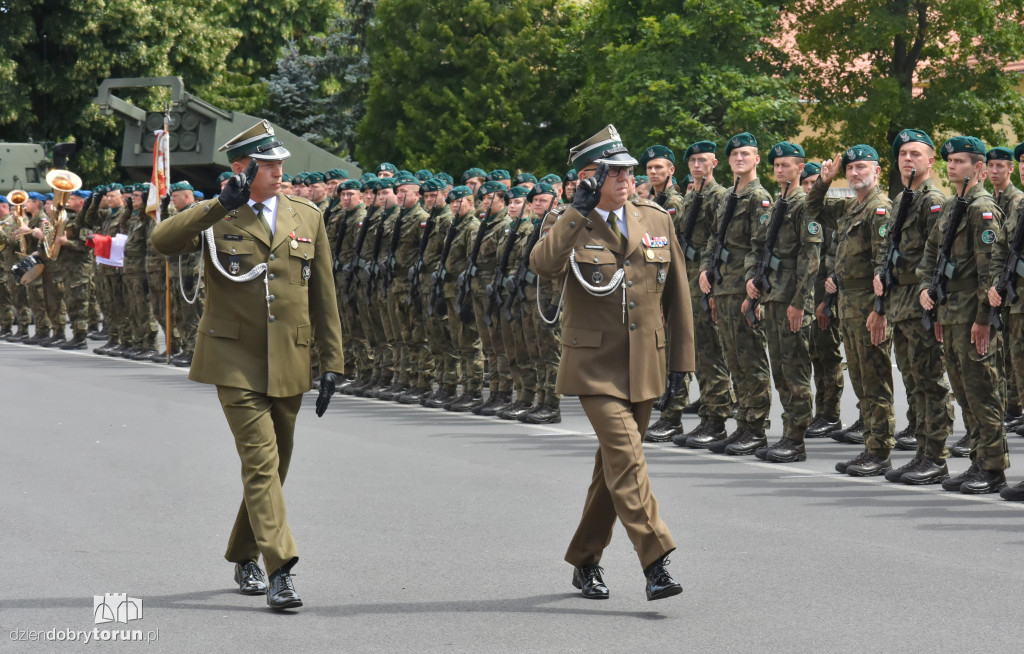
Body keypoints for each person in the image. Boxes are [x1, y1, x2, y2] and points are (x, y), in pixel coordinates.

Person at [151, 120, 345, 610]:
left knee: (275, 467)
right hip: (233, 360)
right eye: (270, 164)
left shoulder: (307, 216)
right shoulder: (218, 214)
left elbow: (324, 296)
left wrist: (333, 363)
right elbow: (162, 241)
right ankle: (280, 568)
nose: (281, 171)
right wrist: (220, 204)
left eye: (281, 162)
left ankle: (243, 553)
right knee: (260, 464)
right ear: (243, 169)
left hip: (290, 360)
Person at [531, 124, 693, 601]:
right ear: (588, 178)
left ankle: (584, 560)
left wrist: (681, 360)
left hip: (646, 362)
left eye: (628, 171)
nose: (626, 179)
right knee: (627, 457)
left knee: (612, 470)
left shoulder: (656, 219)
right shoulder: (567, 222)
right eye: (614, 172)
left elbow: (677, 294)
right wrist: (577, 213)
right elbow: (544, 265)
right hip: (593, 365)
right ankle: (656, 560)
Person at [921, 136, 1009, 494]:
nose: (951, 166)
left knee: (983, 392)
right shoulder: (954, 206)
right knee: (964, 391)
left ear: (979, 169)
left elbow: (991, 271)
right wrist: (929, 291)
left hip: (973, 315)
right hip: (952, 313)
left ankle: (992, 469)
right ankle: (976, 461)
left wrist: (984, 318)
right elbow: (932, 253)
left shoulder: (981, 208)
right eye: (950, 160)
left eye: (959, 161)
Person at [809, 145, 895, 477]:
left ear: (877, 171)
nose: (855, 173)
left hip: (867, 310)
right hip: (847, 308)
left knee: (876, 383)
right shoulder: (849, 207)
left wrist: (880, 310)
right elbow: (811, 208)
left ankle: (880, 451)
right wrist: (824, 179)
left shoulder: (880, 210)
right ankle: (871, 447)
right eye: (850, 168)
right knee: (862, 383)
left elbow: (882, 267)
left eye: (862, 167)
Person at [876, 129, 955, 484]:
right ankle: (923, 450)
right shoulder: (904, 197)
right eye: (903, 154)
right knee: (913, 380)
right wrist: (881, 275)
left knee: (930, 381)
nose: (908, 159)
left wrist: (933, 302)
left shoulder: (931, 199)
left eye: (915, 154)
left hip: (921, 302)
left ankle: (936, 455)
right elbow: (891, 247)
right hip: (900, 302)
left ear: (929, 160)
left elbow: (939, 253)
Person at [698, 133, 774, 455]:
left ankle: (756, 427)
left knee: (751, 358)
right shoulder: (728, 196)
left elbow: (762, 247)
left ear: (757, 159)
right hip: (723, 287)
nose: (739, 158)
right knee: (733, 358)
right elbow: (714, 239)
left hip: (743, 289)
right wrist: (705, 271)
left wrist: (752, 292)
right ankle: (742, 422)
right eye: (734, 155)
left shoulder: (760, 198)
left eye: (746, 154)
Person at [747, 141, 821, 462]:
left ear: (800, 168)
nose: (780, 170)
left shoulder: (806, 206)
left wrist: (800, 302)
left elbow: (810, 258)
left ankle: (796, 438)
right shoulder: (779, 204)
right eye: (776, 165)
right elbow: (761, 248)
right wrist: (756, 288)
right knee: (780, 370)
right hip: (774, 297)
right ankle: (787, 433)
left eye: (786, 165)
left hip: (792, 299)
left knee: (796, 371)